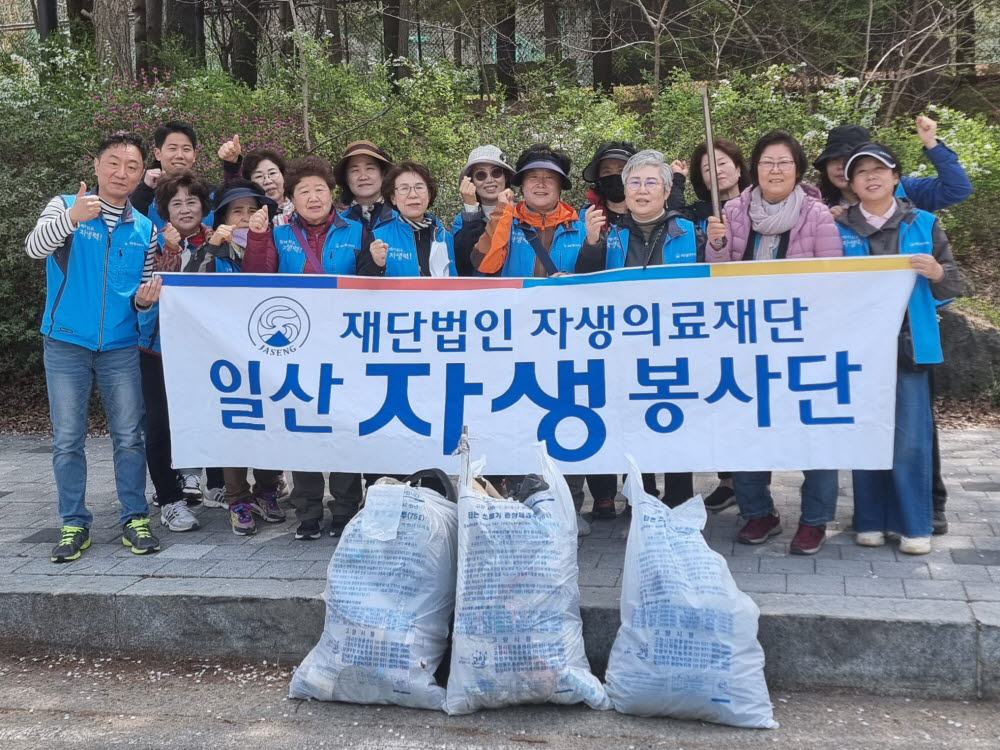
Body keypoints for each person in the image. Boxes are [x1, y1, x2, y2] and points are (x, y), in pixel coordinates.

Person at [814, 116, 973, 536]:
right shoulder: (835, 223)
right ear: (845, 178)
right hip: (858, 348)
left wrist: (938, 272)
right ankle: (869, 520)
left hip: (911, 343)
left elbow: (954, 283)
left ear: (895, 175)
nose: (868, 177)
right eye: (856, 169)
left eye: (876, 169)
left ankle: (919, 518)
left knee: (913, 436)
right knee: (866, 433)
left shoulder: (920, 217)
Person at [25, 131, 163, 562]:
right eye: (114, 163)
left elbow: (143, 292)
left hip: (121, 346)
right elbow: (33, 248)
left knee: (129, 437)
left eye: (132, 166)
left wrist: (143, 303)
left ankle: (134, 517)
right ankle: (73, 523)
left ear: (142, 172)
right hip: (65, 341)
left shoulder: (145, 229)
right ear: (97, 165)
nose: (122, 173)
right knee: (68, 439)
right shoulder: (65, 206)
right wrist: (71, 218)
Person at [706, 130, 843, 555]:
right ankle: (757, 511)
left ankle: (815, 519)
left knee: (815, 431)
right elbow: (717, 278)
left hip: (804, 343)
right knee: (747, 429)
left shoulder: (818, 217)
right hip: (746, 344)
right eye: (767, 162)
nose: (776, 170)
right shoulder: (732, 211)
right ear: (755, 168)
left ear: (798, 169)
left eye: (784, 162)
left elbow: (834, 280)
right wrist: (715, 244)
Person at [244, 155, 366, 540]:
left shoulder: (357, 230)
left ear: (331, 193)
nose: (313, 197)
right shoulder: (279, 234)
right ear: (291, 198)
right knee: (302, 427)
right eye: (303, 191)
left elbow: (369, 284)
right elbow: (256, 282)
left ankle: (346, 509)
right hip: (295, 348)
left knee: (345, 426)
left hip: (346, 345)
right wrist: (260, 237)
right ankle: (309, 510)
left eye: (320, 190)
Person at [576, 149, 701, 517]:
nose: (641, 190)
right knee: (636, 428)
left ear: (666, 191)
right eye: (634, 183)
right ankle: (642, 502)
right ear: (625, 192)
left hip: (677, 347)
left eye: (651, 183)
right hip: (624, 350)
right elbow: (585, 283)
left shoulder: (691, 231)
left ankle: (679, 506)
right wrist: (592, 242)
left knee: (676, 427)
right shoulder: (611, 233)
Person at [669, 138, 752, 512]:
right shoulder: (698, 213)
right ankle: (729, 478)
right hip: (708, 319)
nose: (716, 172)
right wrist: (678, 182)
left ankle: (748, 483)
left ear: (737, 165)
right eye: (706, 168)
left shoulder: (758, 202)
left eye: (721, 163)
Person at [137, 172, 216, 532]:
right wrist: (167, 252)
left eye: (192, 201)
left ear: (204, 206)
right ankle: (170, 500)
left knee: (211, 416)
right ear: (164, 210)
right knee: (160, 424)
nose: (185, 209)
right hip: (157, 349)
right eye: (176, 203)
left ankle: (215, 485)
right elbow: (143, 296)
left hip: (208, 351)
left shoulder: (218, 243)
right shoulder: (150, 243)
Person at [472, 143, 587, 277]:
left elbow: (593, 284)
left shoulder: (579, 231)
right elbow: (485, 265)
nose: (541, 184)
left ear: (560, 186)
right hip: (515, 298)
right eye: (533, 177)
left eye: (550, 177)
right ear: (522, 185)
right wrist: (501, 212)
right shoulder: (506, 223)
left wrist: (571, 280)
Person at [129, 121, 240, 233]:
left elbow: (238, 203)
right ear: (158, 154)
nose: (179, 156)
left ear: (194, 154)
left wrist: (232, 164)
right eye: (172, 149)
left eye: (186, 149)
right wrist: (144, 190)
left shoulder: (210, 194)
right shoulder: (142, 194)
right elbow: (128, 225)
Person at [366, 160, 456, 277]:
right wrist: (377, 265)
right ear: (393, 197)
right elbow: (364, 288)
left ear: (428, 194)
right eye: (404, 188)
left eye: (419, 187)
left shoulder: (444, 237)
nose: (413, 194)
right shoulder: (378, 238)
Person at [452, 146, 515, 276]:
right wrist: (471, 209)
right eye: (481, 175)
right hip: (479, 294)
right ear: (471, 181)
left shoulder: (522, 214)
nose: (489, 180)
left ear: (506, 177)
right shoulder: (461, 221)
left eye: (496, 172)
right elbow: (465, 261)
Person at [333, 140, 395, 246]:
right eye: (355, 171)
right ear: (346, 178)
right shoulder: (338, 224)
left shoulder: (401, 218)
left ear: (383, 174)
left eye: (370, 169)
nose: (363, 176)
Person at [579, 141, 638, 229]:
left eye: (621, 171)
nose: (614, 177)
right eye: (606, 172)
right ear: (598, 178)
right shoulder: (585, 216)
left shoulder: (650, 215)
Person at [243, 148, 294, 225]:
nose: (268, 181)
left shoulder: (302, 209)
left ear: (283, 175)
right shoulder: (249, 218)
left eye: (272, 173)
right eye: (259, 176)